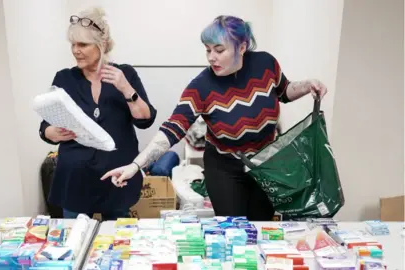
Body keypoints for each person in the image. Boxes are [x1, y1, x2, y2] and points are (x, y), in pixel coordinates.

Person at [101, 15, 327, 221]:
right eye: (207, 50)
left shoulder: (266, 64)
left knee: (261, 226)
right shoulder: (202, 86)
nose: (211, 57)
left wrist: (308, 85)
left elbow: (284, 91)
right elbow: (172, 129)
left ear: (242, 47)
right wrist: (135, 166)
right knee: (233, 229)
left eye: (219, 50)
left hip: (265, 164)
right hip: (225, 169)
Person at [39, 7, 157, 220]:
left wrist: (126, 89)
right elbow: (45, 126)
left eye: (83, 44)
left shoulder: (125, 74)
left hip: (116, 177)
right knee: (75, 241)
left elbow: (145, 120)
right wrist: (51, 132)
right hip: (75, 180)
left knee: (117, 243)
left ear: (101, 45)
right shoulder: (64, 79)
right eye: (73, 45)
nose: (76, 50)